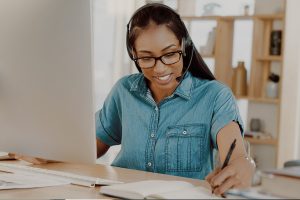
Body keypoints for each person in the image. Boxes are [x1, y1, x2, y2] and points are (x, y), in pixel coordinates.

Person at [11, 3, 255, 195]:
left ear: (185, 46)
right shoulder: (124, 90)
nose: (160, 69)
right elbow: (86, 148)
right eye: (147, 58)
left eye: (170, 54)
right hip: (116, 194)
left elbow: (235, 154)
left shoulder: (215, 96)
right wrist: (47, 151)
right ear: (133, 55)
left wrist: (243, 165)